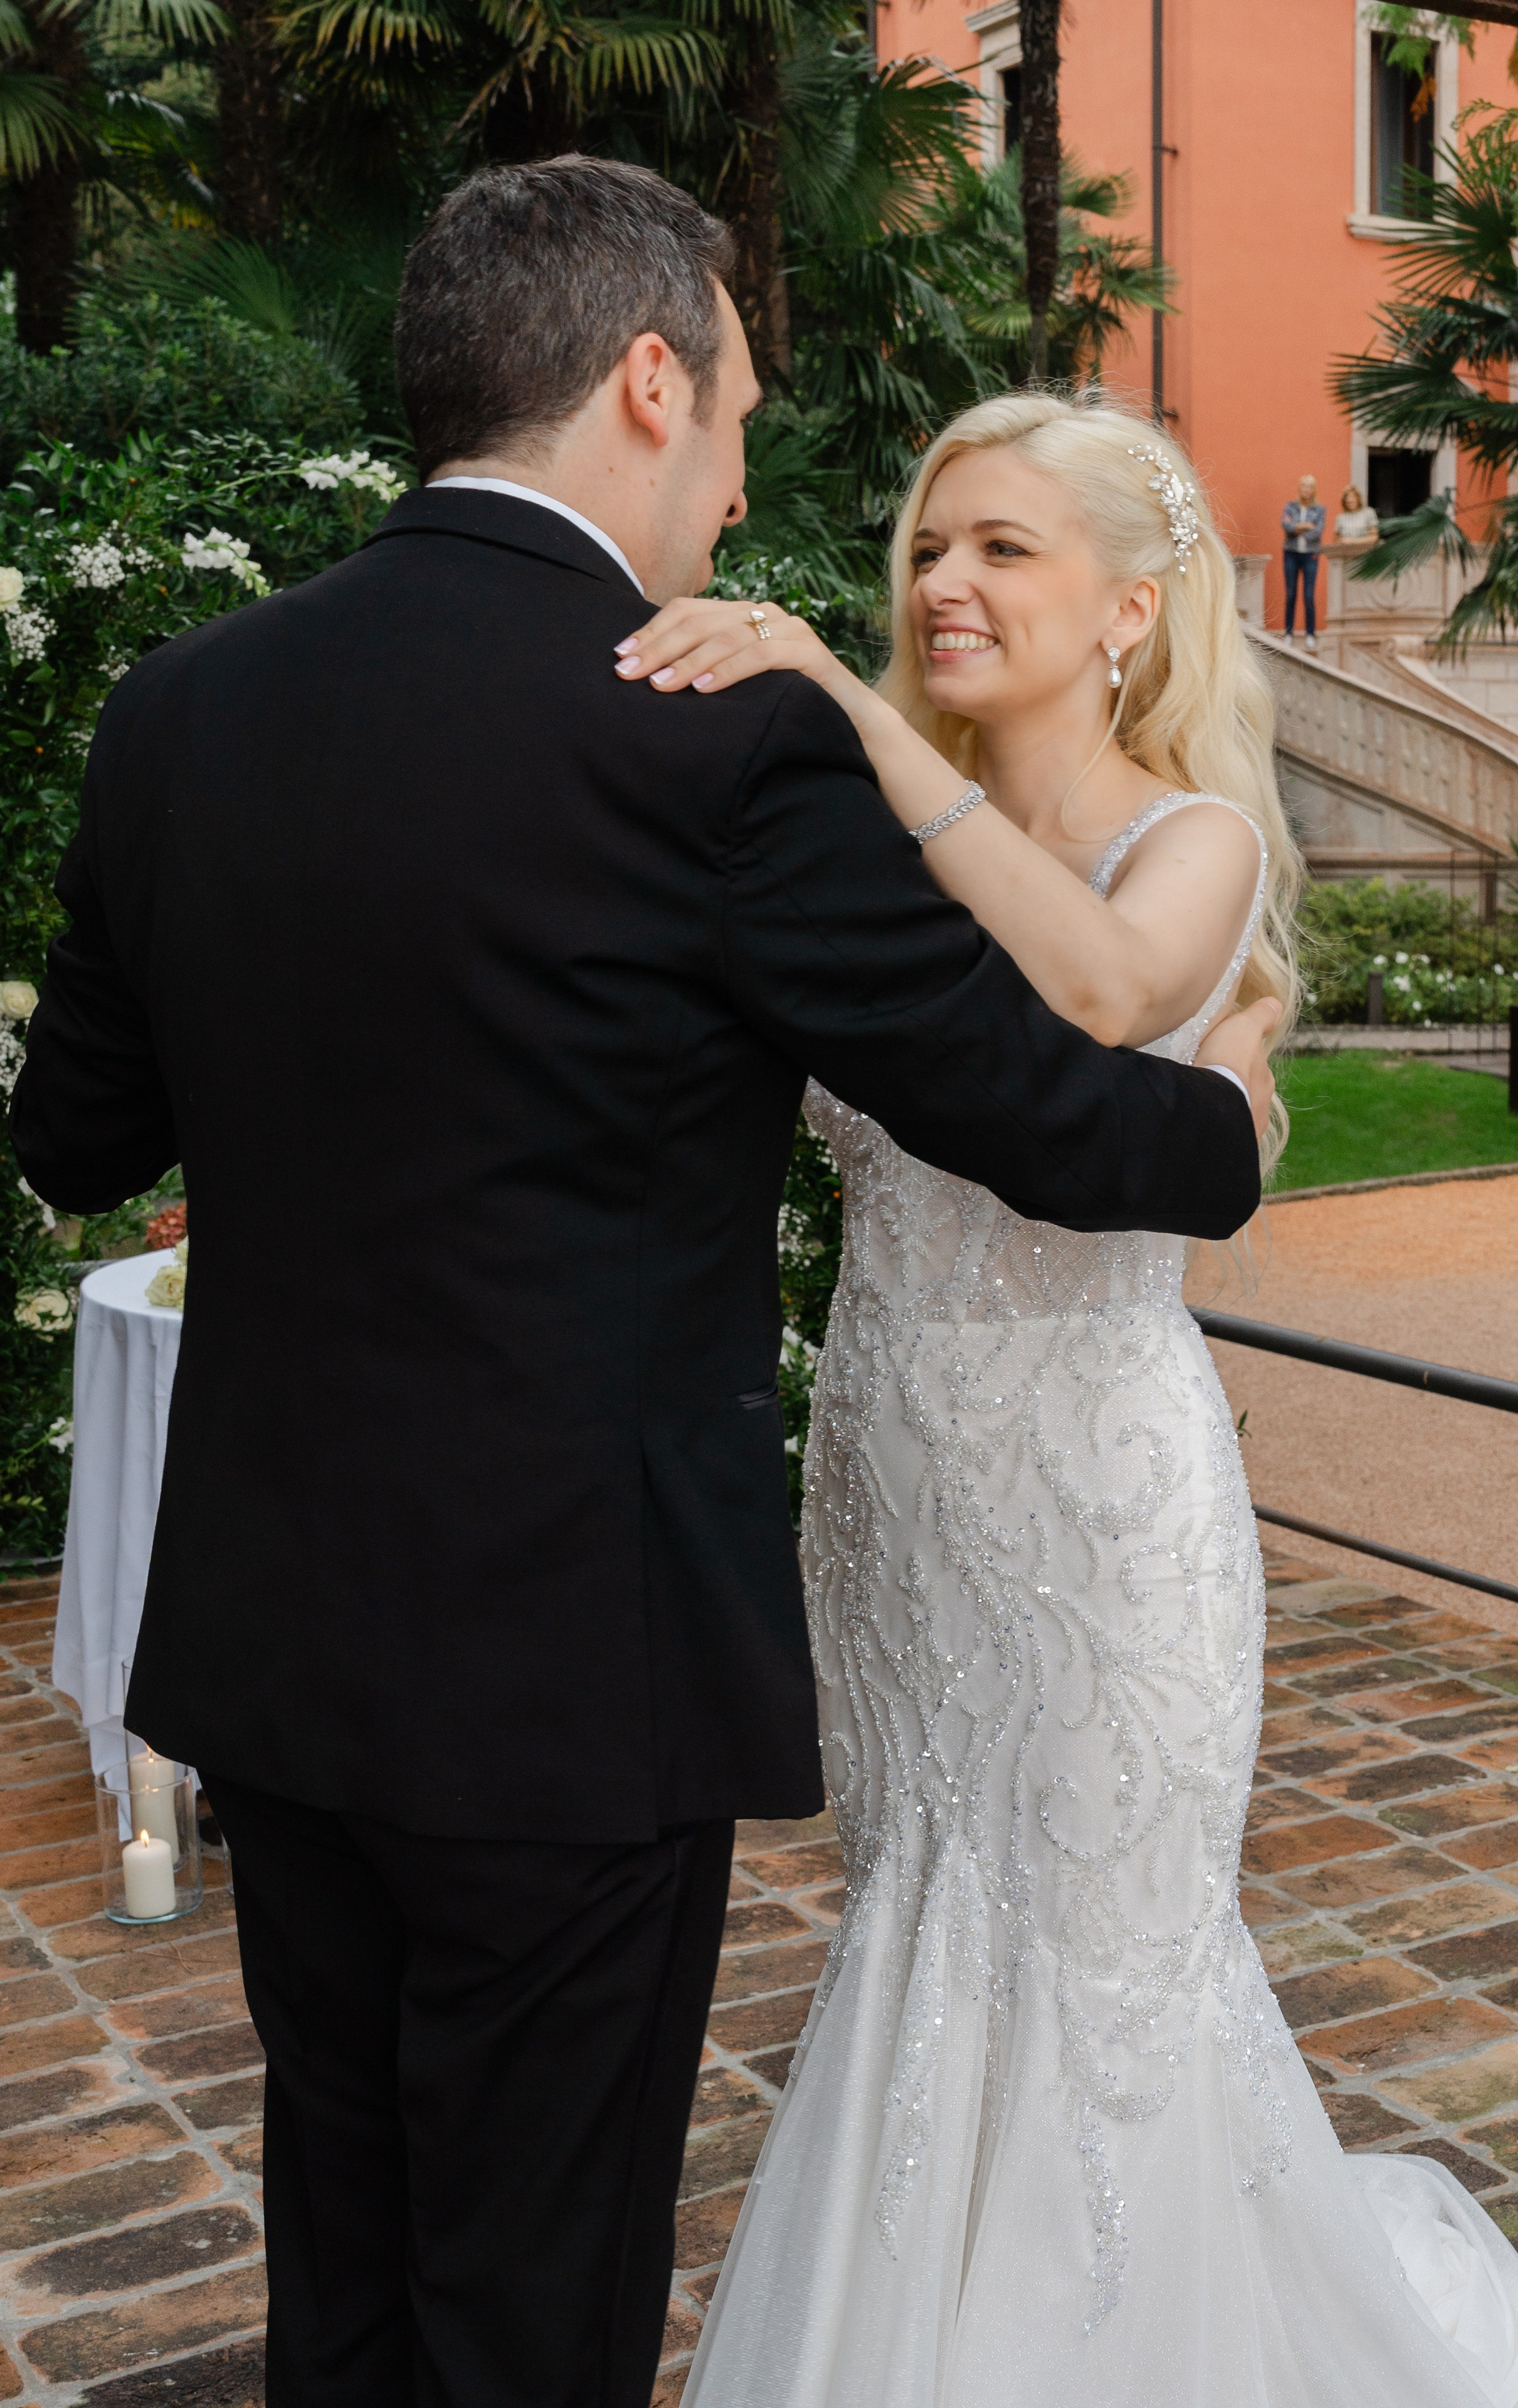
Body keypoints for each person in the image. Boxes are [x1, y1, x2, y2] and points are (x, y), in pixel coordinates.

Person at [5, 165, 1273, 2408]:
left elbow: (78, 1137)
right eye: (742, 418)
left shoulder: (179, 709)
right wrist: (1238, 1111)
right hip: (565, 1689)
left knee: (355, 2265)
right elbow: (1049, 1120)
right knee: (534, 2315)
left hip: (282, 1651)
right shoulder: (707, 737)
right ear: (647, 377)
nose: (751, 482)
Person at [619, 394, 1518, 2407]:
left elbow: (1089, 992)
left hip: (1103, 1503)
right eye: (923, 550)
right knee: (924, 1926)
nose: (939, 583)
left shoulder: (1197, 835)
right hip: (894, 1482)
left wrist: (838, 695)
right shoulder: (858, 846)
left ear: (1128, 613)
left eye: (999, 548)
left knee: (1095, 1970)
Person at [1282, 471, 1325, 649]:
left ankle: (1310, 633)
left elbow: (1317, 532)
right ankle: (1289, 632)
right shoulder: (1290, 507)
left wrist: (1298, 528)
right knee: (1291, 593)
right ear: (1299, 489)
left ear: (1314, 490)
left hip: (1310, 555)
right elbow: (1286, 525)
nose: (1306, 490)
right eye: (1303, 486)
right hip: (1291, 553)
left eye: (1309, 487)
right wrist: (1305, 526)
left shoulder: (1319, 510)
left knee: (1309, 595)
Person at [1333, 481, 1380, 548]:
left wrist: (1353, 541)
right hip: (1346, 554)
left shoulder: (1369, 513)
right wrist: (1341, 542)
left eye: (1352, 497)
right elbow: (1336, 540)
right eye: (1346, 498)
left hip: (1366, 552)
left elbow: (1374, 537)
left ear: (1358, 498)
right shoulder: (1341, 518)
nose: (1349, 500)